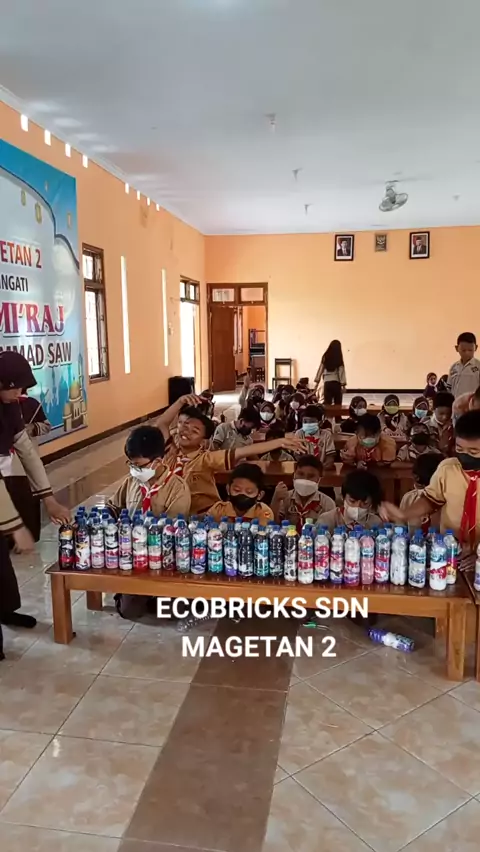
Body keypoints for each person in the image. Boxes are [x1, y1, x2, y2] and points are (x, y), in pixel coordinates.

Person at [0, 351, 69, 634]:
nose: (20, 393)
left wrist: (49, 499)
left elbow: (26, 450)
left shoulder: (9, 406)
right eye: (16, 387)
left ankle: (5, 610)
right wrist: (16, 527)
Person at [157, 400, 306, 515]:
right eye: (185, 426)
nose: (186, 432)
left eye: (194, 431)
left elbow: (243, 451)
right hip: (170, 514)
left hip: (201, 515)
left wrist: (279, 442)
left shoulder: (206, 459)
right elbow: (162, 423)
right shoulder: (170, 450)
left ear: (203, 441)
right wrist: (180, 401)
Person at [382, 410, 480, 551]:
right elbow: (430, 500)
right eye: (460, 449)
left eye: (473, 452)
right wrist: (404, 513)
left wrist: (476, 552)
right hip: (450, 549)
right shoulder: (448, 469)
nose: (465, 456)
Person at [107, 425, 191, 518]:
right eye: (131, 464)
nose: (134, 470)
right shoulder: (131, 481)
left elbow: (174, 524)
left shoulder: (178, 489)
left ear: (157, 462)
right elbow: (113, 507)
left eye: (138, 466)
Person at [9, 392, 52, 543]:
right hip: (9, 465)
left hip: (28, 459)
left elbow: (46, 426)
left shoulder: (31, 403)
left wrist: (32, 428)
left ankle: (32, 534)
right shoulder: (6, 407)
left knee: (30, 496)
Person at [272, 455, 335, 530]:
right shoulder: (284, 497)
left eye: (311, 476)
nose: (305, 479)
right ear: (294, 474)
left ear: (319, 479)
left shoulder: (327, 504)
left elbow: (330, 531)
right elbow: (274, 525)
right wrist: (276, 500)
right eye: (301, 474)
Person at [318, 469, 383, 533]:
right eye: (352, 501)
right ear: (343, 497)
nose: (357, 507)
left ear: (371, 503)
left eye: (365, 503)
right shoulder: (327, 520)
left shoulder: (375, 523)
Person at [399, 453, 443, 536]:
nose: (417, 482)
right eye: (416, 480)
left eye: (424, 483)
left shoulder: (446, 500)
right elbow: (400, 527)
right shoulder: (408, 498)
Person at [447, 332, 480, 399]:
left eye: (470, 350)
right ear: (457, 348)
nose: (467, 353)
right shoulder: (454, 367)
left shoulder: (478, 366)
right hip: (456, 403)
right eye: (463, 350)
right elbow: (449, 388)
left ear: (476, 347)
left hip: (473, 404)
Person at [314, 339, 347, 405]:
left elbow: (320, 370)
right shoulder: (339, 357)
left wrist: (317, 383)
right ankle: (338, 412)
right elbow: (341, 372)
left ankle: (328, 412)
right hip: (336, 383)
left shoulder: (325, 356)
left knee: (327, 404)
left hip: (327, 383)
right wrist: (343, 385)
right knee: (338, 404)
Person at [428, 391, 455, 456]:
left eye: (449, 413)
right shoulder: (426, 426)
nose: (445, 417)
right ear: (433, 409)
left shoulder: (454, 425)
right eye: (441, 413)